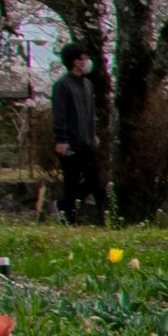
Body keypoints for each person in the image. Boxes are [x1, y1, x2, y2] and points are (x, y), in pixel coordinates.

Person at [48, 45, 104, 223]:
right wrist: (61, 139)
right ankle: (68, 216)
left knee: (93, 180)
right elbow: (60, 114)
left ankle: (65, 206)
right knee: (71, 181)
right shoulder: (62, 86)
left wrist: (93, 133)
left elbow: (90, 112)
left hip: (85, 141)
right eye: (83, 58)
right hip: (70, 143)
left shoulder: (87, 85)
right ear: (75, 61)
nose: (87, 62)